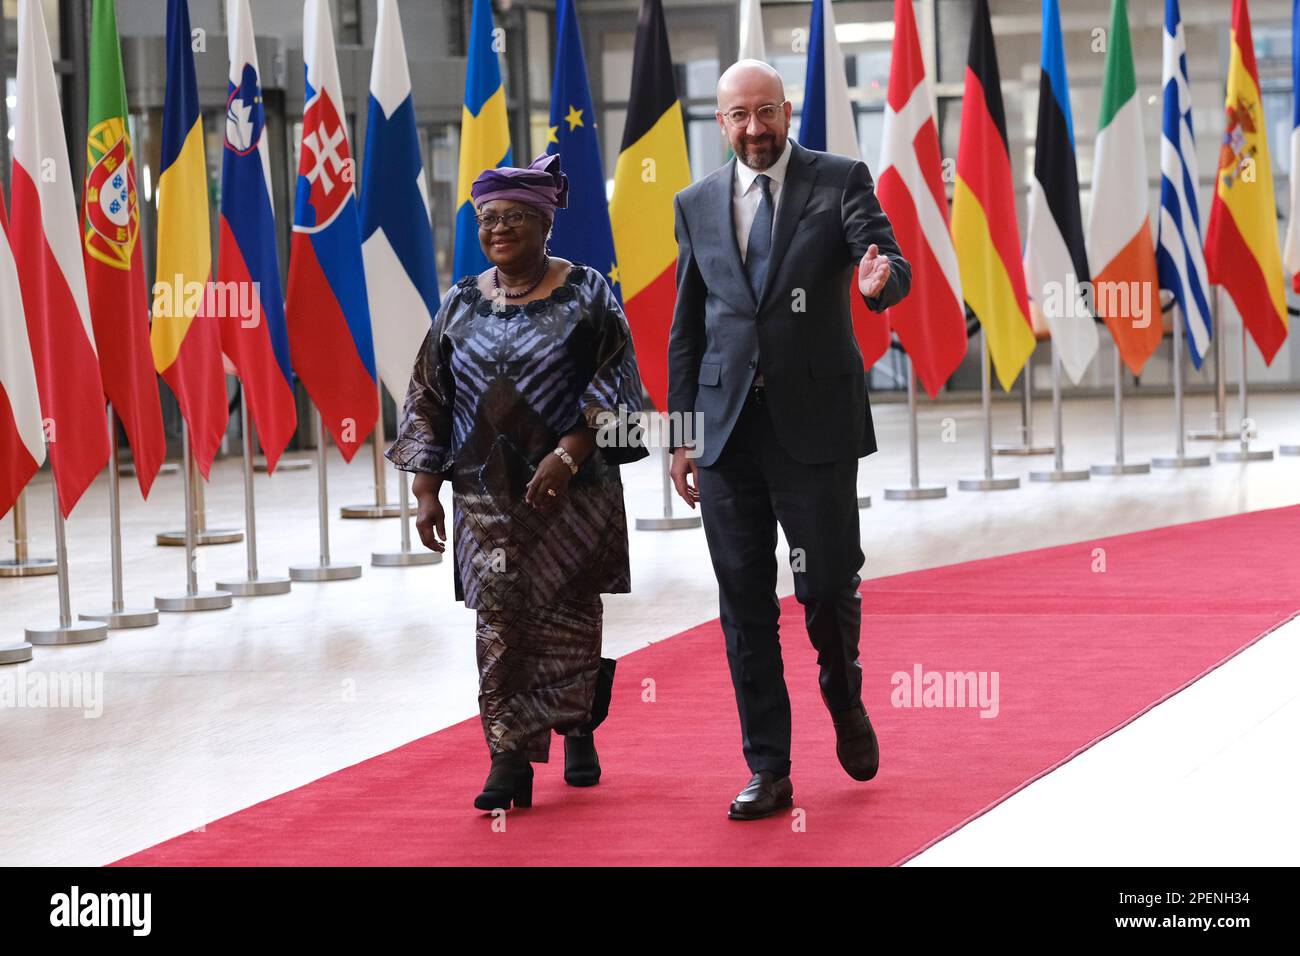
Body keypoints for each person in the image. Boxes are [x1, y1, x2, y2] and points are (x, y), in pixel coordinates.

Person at [666, 60, 911, 820]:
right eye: (738, 116)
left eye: (765, 112)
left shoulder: (839, 180)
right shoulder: (696, 202)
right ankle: (768, 768)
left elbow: (888, 262)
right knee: (743, 601)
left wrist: (880, 283)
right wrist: (681, 432)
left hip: (815, 429)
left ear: (786, 109)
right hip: (726, 433)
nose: (754, 129)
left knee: (826, 585)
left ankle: (844, 695)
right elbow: (687, 326)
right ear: (720, 122)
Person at [386, 152, 647, 812]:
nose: (498, 229)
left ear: (544, 222)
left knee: (569, 615)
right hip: (484, 500)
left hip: (573, 493)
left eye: (513, 218)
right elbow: (427, 394)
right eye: (486, 219)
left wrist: (568, 454)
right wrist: (423, 487)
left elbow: (616, 383)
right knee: (500, 625)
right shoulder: (461, 302)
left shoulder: (586, 291)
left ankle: (578, 722)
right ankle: (508, 757)